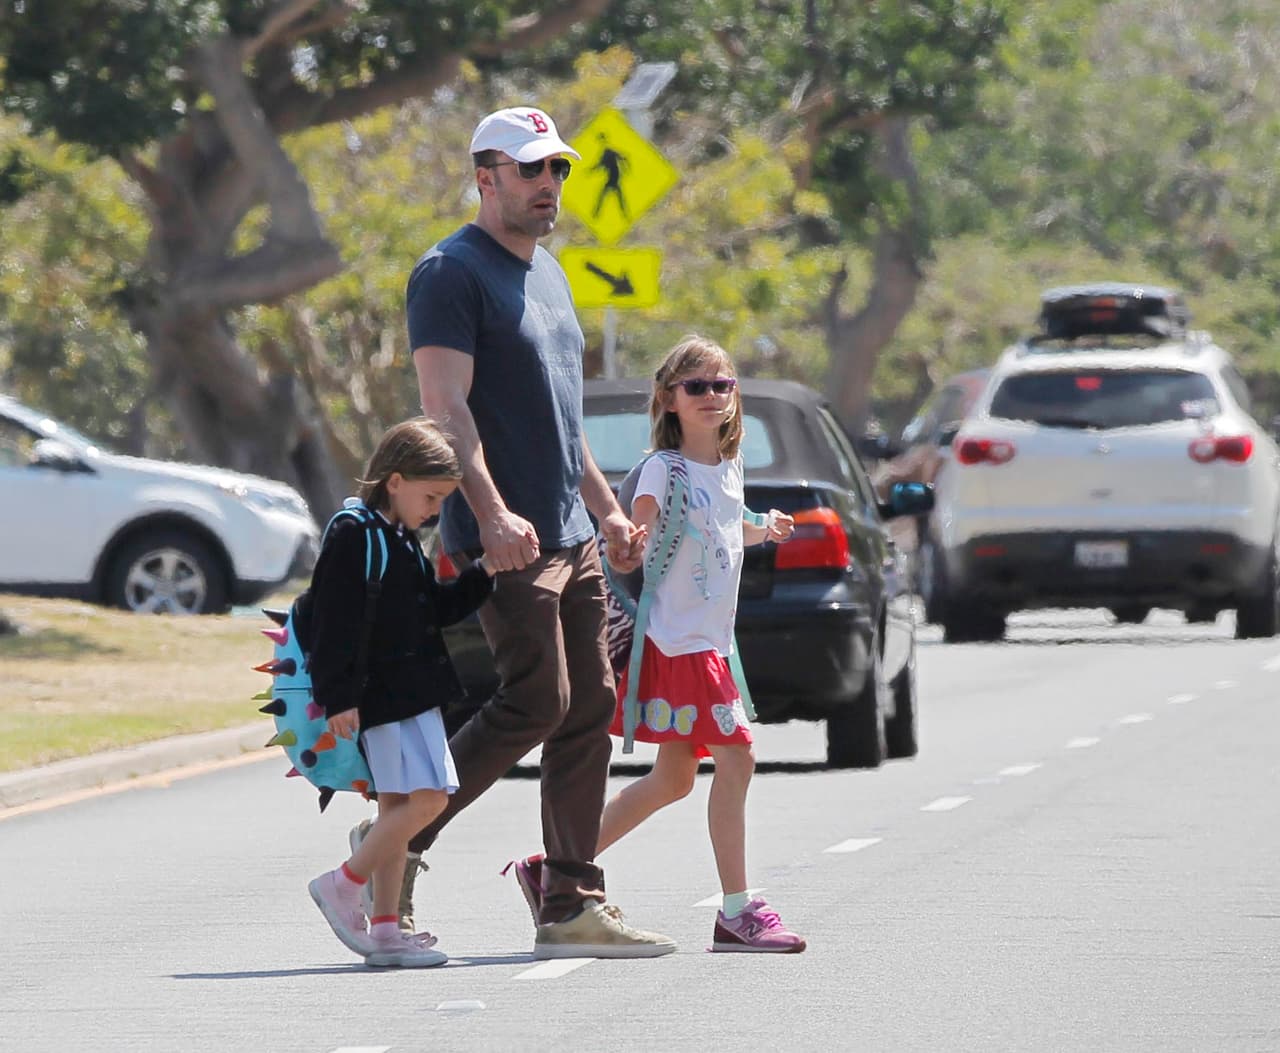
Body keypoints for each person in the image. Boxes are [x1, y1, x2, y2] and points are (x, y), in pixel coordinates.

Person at [398, 105, 676, 960]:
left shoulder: (551, 274)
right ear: (486, 179)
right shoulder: (450, 272)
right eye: (531, 170)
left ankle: (570, 901)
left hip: (568, 531)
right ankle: (394, 844)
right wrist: (487, 512)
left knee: (591, 703)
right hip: (502, 535)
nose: (550, 184)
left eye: (557, 169)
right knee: (535, 700)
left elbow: (567, 422)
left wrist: (608, 510)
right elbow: (444, 411)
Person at [511, 336, 807, 953]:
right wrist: (627, 544)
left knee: (674, 779)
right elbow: (629, 532)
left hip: (711, 643)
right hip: (676, 644)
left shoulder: (728, 466)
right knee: (738, 756)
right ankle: (738, 910)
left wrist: (762, 528)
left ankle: (555, 868)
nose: (711, 397)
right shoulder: (660, 470)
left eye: (721, 385)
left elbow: (723, 526)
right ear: (668, 399)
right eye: (695, 386)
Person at [305, 418, 496, 968]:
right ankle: (343, 884)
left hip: (411, 692)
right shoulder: (354, 532)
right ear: (394, 480)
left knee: (397, 804)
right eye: (430, 495)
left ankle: (386, 930)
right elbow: (331, 621)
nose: (435, 509)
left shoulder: (399, 538)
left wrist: (484, 573)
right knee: (430, 798)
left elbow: (432, 612)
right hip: (384, 695)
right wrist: (338, 696)